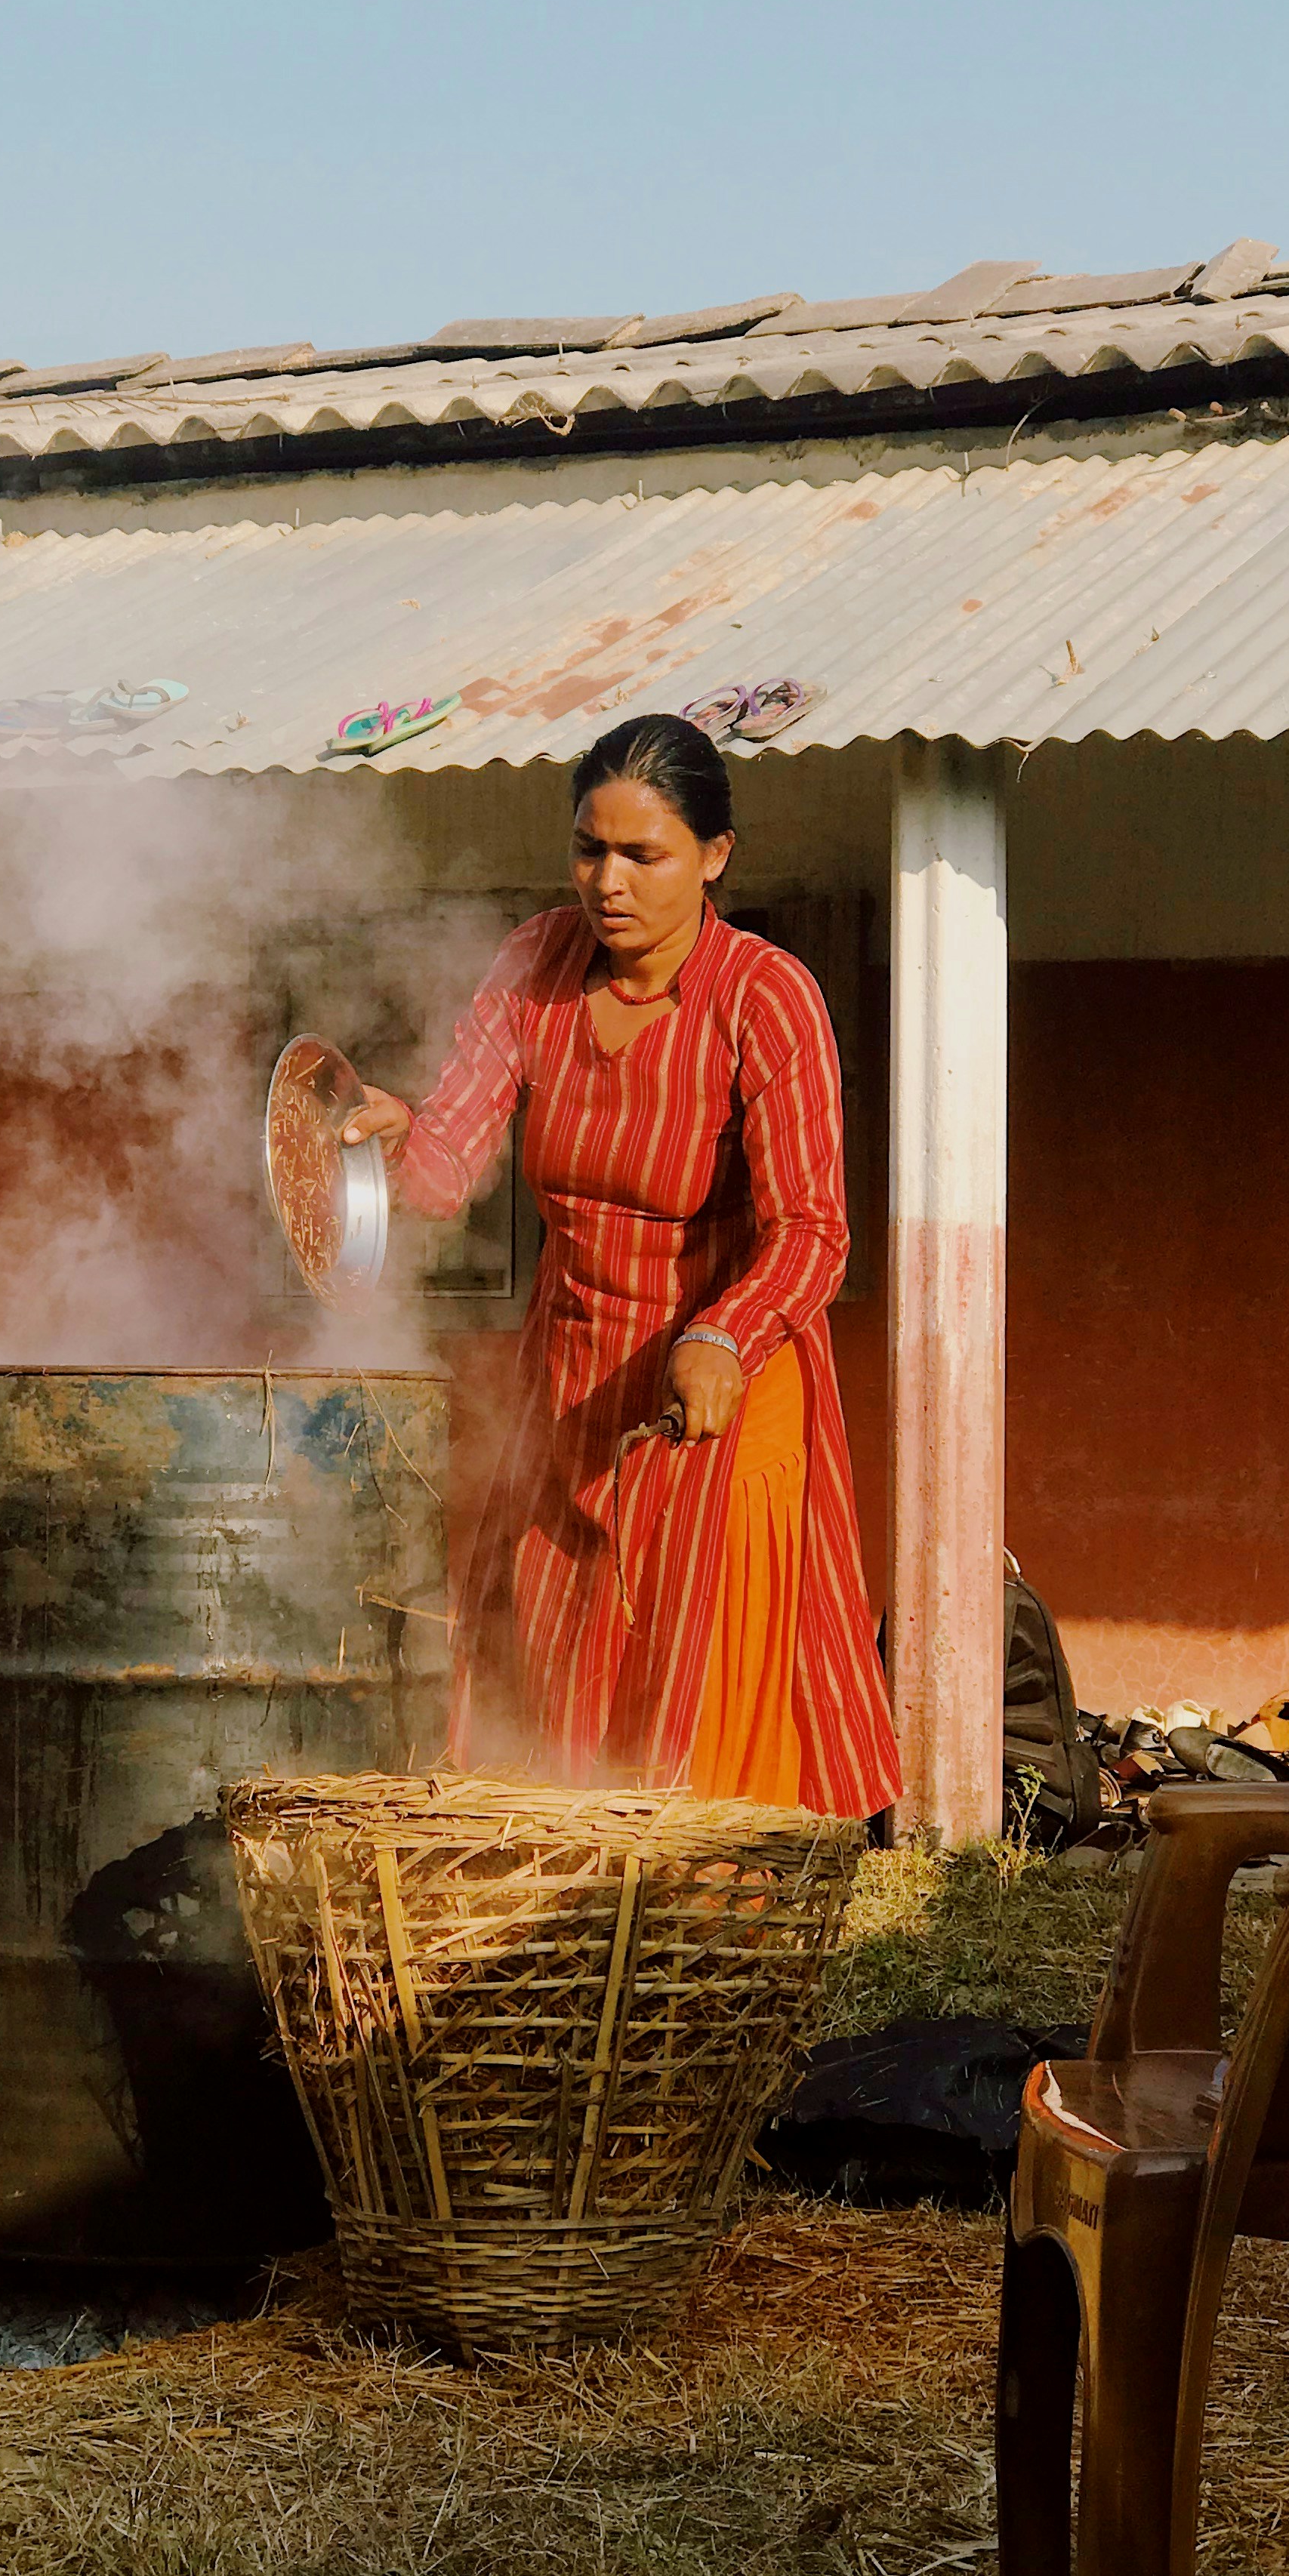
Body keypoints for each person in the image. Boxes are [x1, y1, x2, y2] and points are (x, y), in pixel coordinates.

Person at [344, 713, 900, 1820]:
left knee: (700, 1725)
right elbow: (448, 1163)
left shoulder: (766, 996)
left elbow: (814, 1231)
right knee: (547, 1681)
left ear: (714, 857)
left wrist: (720, 1338)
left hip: (721, 1387)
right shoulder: (534, 964)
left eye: (644, 855)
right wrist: (381, 1137)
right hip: (570, 1382)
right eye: (591, 850)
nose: (610, 882)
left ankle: (718, 1936)